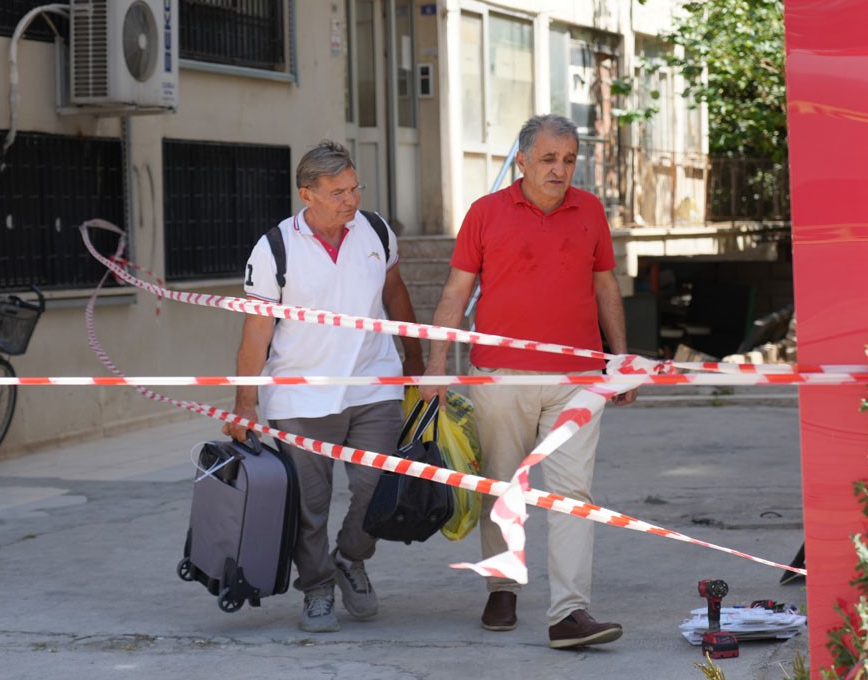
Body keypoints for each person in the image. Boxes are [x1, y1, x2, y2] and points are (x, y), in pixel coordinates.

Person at [420, 114, 634, 649]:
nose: (559, 169)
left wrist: (620, 360)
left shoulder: (590, 210)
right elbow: (455, 292)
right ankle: (502, 588)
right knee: (502, 486)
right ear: (521, 161)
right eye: (548, 159)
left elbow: (605, 286)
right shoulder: (485, 213)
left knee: (572, 494)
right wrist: (436, 364)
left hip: (577, 380)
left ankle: (569, 613)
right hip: (500, 378)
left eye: (568, 159)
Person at [221, 140, 424, 633]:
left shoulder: (376, 231)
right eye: (338, 193)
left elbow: (395, 293)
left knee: (378, 489)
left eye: (355, 188)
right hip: (300, 394)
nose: (350, 200)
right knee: (309, 505)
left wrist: (417, 361)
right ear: (307, 193)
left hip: (374, 384)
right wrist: (245, 404)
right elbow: (257, 331)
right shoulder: (274, 248)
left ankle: (350, 559)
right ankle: (316, 590)